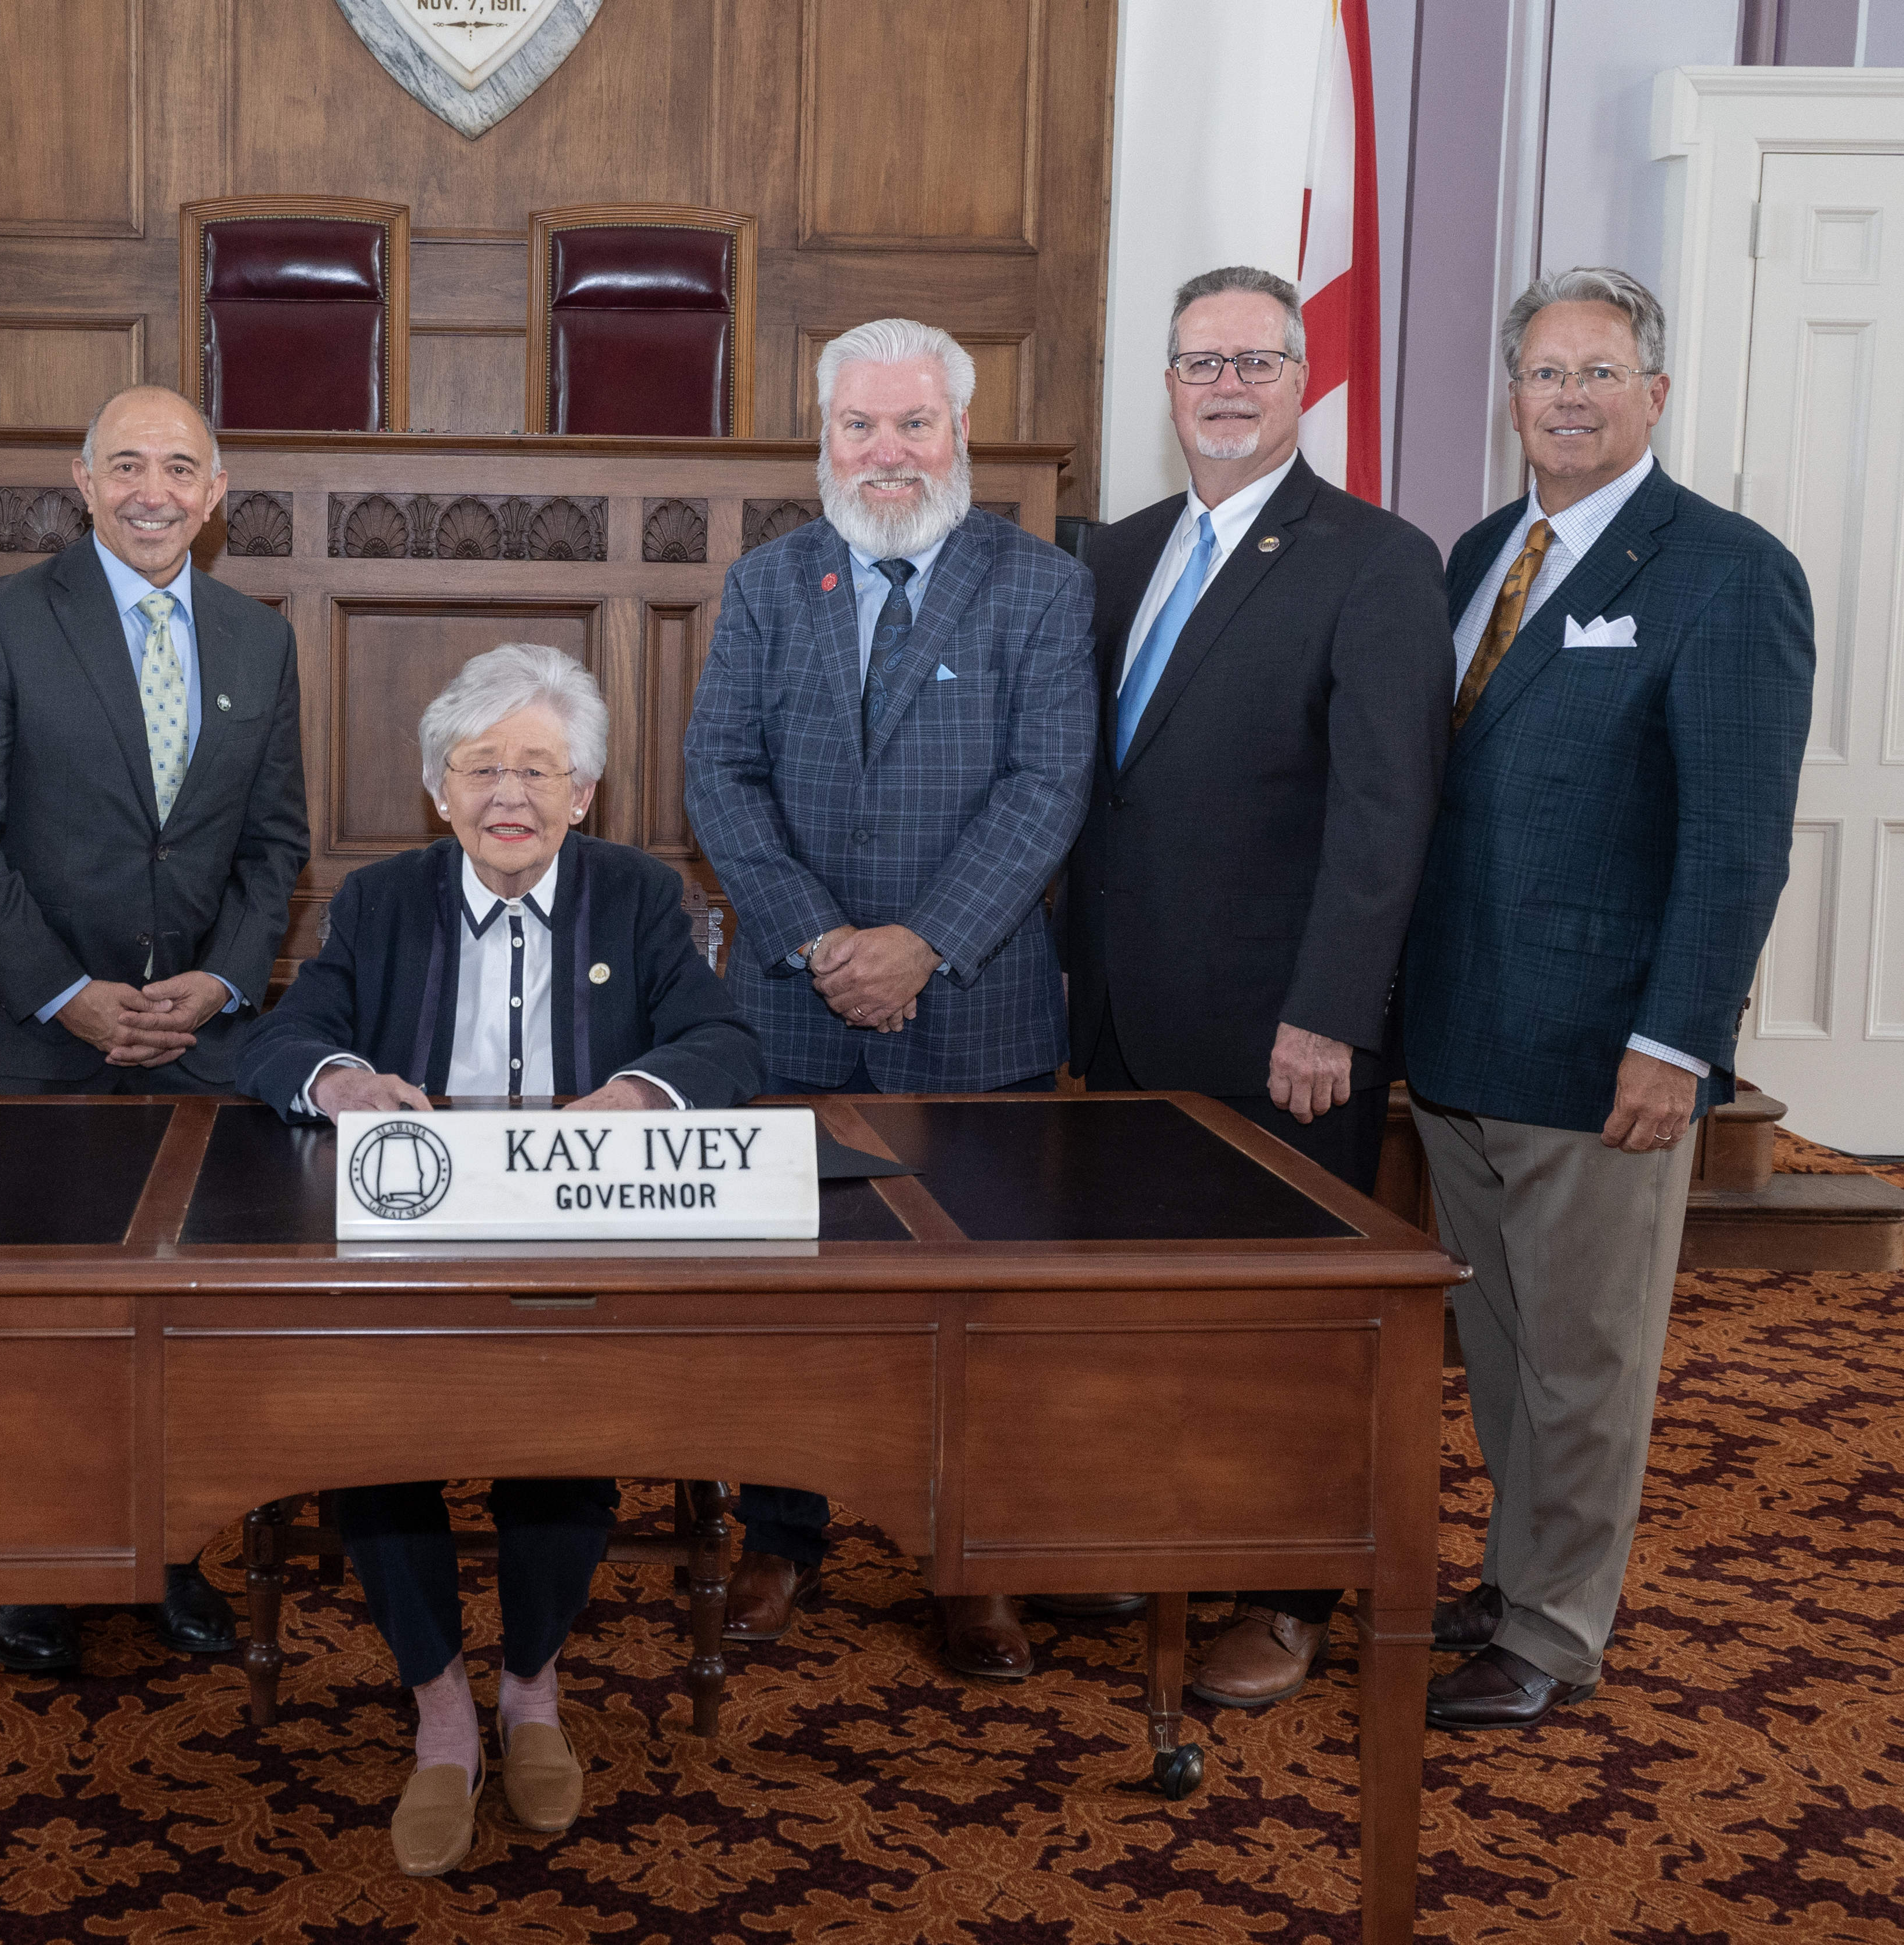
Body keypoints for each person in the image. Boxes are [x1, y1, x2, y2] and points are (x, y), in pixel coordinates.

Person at [233, 645, 765, 1873]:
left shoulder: (636, 897)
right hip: (414, 1239)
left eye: (540, 768)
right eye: (482, 768)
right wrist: (345, 1078)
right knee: (367, 1434)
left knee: (566, 1426)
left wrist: (641, 1089)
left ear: (586, 793)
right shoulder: (380, 900)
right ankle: (441, 1708)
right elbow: (283, 1036)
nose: (509, 795)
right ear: (439, 789)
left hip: (580, 1235)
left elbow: (725, 1040)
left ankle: (531, 1686)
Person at [1405, 268, 1811, 1730]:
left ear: (1653, 393)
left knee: (1588, 1358)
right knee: (1504, 1345)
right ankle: (1524, 1575)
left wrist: (1678, 1040)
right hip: (1458, 1033)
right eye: (1543, 372)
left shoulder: (1725, 568)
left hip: (1605, 1048)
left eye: (1599, 372)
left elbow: (1736, 838)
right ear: (1509, 393)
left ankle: (1560, 1629)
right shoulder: (1470, 554)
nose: (1568, 398)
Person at [1061, 265, 1453, 1707]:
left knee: (1291, 1320)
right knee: (1146, 1308)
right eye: (1200, 361)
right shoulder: (1116, 552)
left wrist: (1335, 1005)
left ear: (1304, 380)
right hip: (1117, 1015)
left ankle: (1289, 1595)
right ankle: (1162, 1537)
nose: (1227, 385)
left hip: (1281, 1026)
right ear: (1165, 384)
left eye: (1257, 361)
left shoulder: (1374, 556)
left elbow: (1386, 807)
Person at [682, 316, 1094, 1679]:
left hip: (976, 1012)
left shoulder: (1039, 588)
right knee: (786, 1298)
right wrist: (817, 942)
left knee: (971, 1300)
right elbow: (718, 781)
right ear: (824, 438)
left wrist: (922, 941)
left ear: (958, 434)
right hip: (796, 1010)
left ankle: (967, 1557)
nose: (888, 451)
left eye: (914, 423)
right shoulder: (763, 582)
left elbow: (1048, 791)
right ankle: (784, 1533)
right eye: (861, 425)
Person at [0, 383, 308, 1675]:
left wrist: (225, 981)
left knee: (184, 1322)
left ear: (215, 494)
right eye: (126, 464)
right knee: (40, 1315)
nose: (153, 490)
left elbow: (275, 845)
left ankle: (166, 1553)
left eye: (179, 468)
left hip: (197, 1042)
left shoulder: (259, 639)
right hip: (33, 1043)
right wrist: (64, 993)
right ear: (80, 483)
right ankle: (32, 1561)